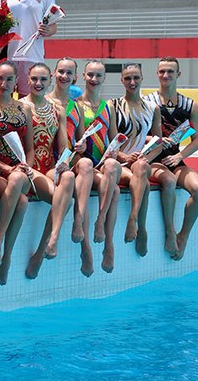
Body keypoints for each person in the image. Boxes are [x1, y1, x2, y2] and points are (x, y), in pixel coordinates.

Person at [143, 57, 198, 260]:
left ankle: (183, 235)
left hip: (175, 160)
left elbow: (197, 141)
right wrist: (156, 140)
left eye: (170, 71)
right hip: (153, 160)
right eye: (162, 71)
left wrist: (179, 156)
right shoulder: (147, 102)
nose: (166, 75)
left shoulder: (190, 106)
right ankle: (170, 232)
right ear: (157, 74)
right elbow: (136, 134)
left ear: (178, 74)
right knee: (169, 182)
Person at [20, 63, 76, 279]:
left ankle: (52, 240)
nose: (38, 83)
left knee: (68, 175)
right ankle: (44, 249)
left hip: (49, 167)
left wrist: (65, 162)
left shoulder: (57, 109)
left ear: (50, 80)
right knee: (66, 202)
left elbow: (63, 148)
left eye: (43, 79)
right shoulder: (21, 106)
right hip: (30, 169)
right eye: (34, 79)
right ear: (27, 80)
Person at [111, 63, 171, 258]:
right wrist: (124, 156)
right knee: (141, 175)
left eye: (136, 77)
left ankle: (134, 218)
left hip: (141, 161)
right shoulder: (113, 106)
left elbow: (158, 143)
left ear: (142, 79)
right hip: (120, 161)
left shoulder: (153, 108)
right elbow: (112, 142)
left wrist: (146, 156)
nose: (132, 82)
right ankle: (141, 227)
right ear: (122, 80)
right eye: (128, 78)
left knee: (144, 168)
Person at [47, 57, 96, 276]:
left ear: (75, 77)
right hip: (50, 163)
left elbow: (81, 142)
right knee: (76, 184)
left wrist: (82, 145)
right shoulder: (44, 101)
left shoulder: (78, 108)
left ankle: (78, 219)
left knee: (86, 163)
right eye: (61, 72)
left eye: (69, 73)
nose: (64, 76)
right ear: (54, 73)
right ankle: (85, 247)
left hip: (70, 161)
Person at [0, 60, 32, 285]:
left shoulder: (24, 108)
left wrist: (27, 167)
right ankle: (6, 258)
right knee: (22, 203)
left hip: (21, 172)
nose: (4, 84)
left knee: (18, 178)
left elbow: (29, 148)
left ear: (16, 82)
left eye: (9, 79)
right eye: (0, 78)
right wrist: (7, 168)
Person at [77, 60, 123, 273]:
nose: (94, 79)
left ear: (104, 78)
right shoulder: (76, 105)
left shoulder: (108, 107)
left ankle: (100, 222)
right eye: (90, 75)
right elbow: (74, 140)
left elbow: (113, 139)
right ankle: (90, 247)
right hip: (84, 163)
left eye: (98, 75)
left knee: (113, 165)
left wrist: (118, 152)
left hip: (103, 163)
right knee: (114, 191)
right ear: (83, 76)